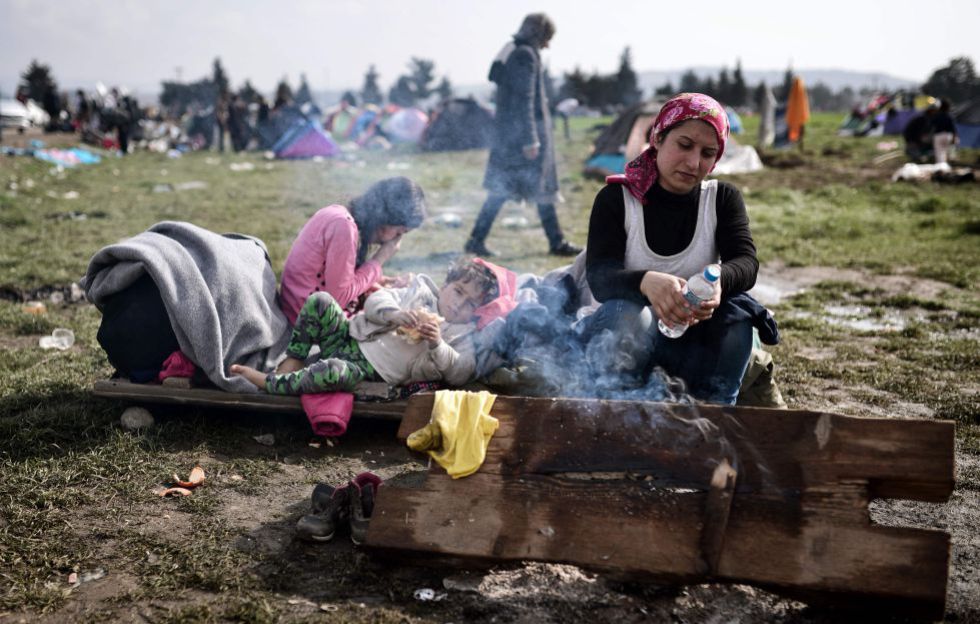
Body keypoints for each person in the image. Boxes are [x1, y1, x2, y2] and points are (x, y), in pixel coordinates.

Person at [581, 93, 776, 405]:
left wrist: (718, 282)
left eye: (708, 153)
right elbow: (601, 277)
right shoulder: (617, 199)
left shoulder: (722, 199)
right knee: (631, 316)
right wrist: (646, 282)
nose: (693, 162)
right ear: (658, 138)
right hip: (625, 342)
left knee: (737, 321)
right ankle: (615, 412)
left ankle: (714, 420)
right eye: (684, 145)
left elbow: (746, 263)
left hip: (692, 343)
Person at [231, 258, 504, 392]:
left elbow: (459, 373)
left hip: (367, 372)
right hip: (349, 340)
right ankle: (294, 359)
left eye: (470, 303)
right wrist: (394, 314)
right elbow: (375, 302)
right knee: (321, 301)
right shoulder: (419, 292)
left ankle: (273, 385)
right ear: (445, 284)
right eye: (458, 291)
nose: (459, 304)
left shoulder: (463, 334)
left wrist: (437, 344)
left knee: (334, 371)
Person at [465, 13, 581, 258]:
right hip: (523, 138)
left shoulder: (512, 52)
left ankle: (554, 240)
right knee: (528, 189)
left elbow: (493, 74)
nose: (547, 45)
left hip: (509, 137)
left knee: (516, 190)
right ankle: (555, 242)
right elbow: (524, 99)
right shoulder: (525, 55)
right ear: (539, 34)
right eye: (547, 38)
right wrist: (530, 139)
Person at [278, 176, 427, 325]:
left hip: (303, 312)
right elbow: (339, 297)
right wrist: (379, 260)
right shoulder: (343, 227)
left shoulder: (340, 216)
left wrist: (382, 281)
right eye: (399, 232)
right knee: (399, 324)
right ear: (385, 218)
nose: (396, 240)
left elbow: (334, 278)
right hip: (309, 325)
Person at [931, 99, 959, 164]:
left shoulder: (936, 115)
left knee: (939, 153)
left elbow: (932, 125)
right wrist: (955, 136)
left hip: (938, 135)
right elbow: (953, 128)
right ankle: (948, 164)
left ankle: (941, 167)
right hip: (948, 135)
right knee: (948, 151)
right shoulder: (949, 116)